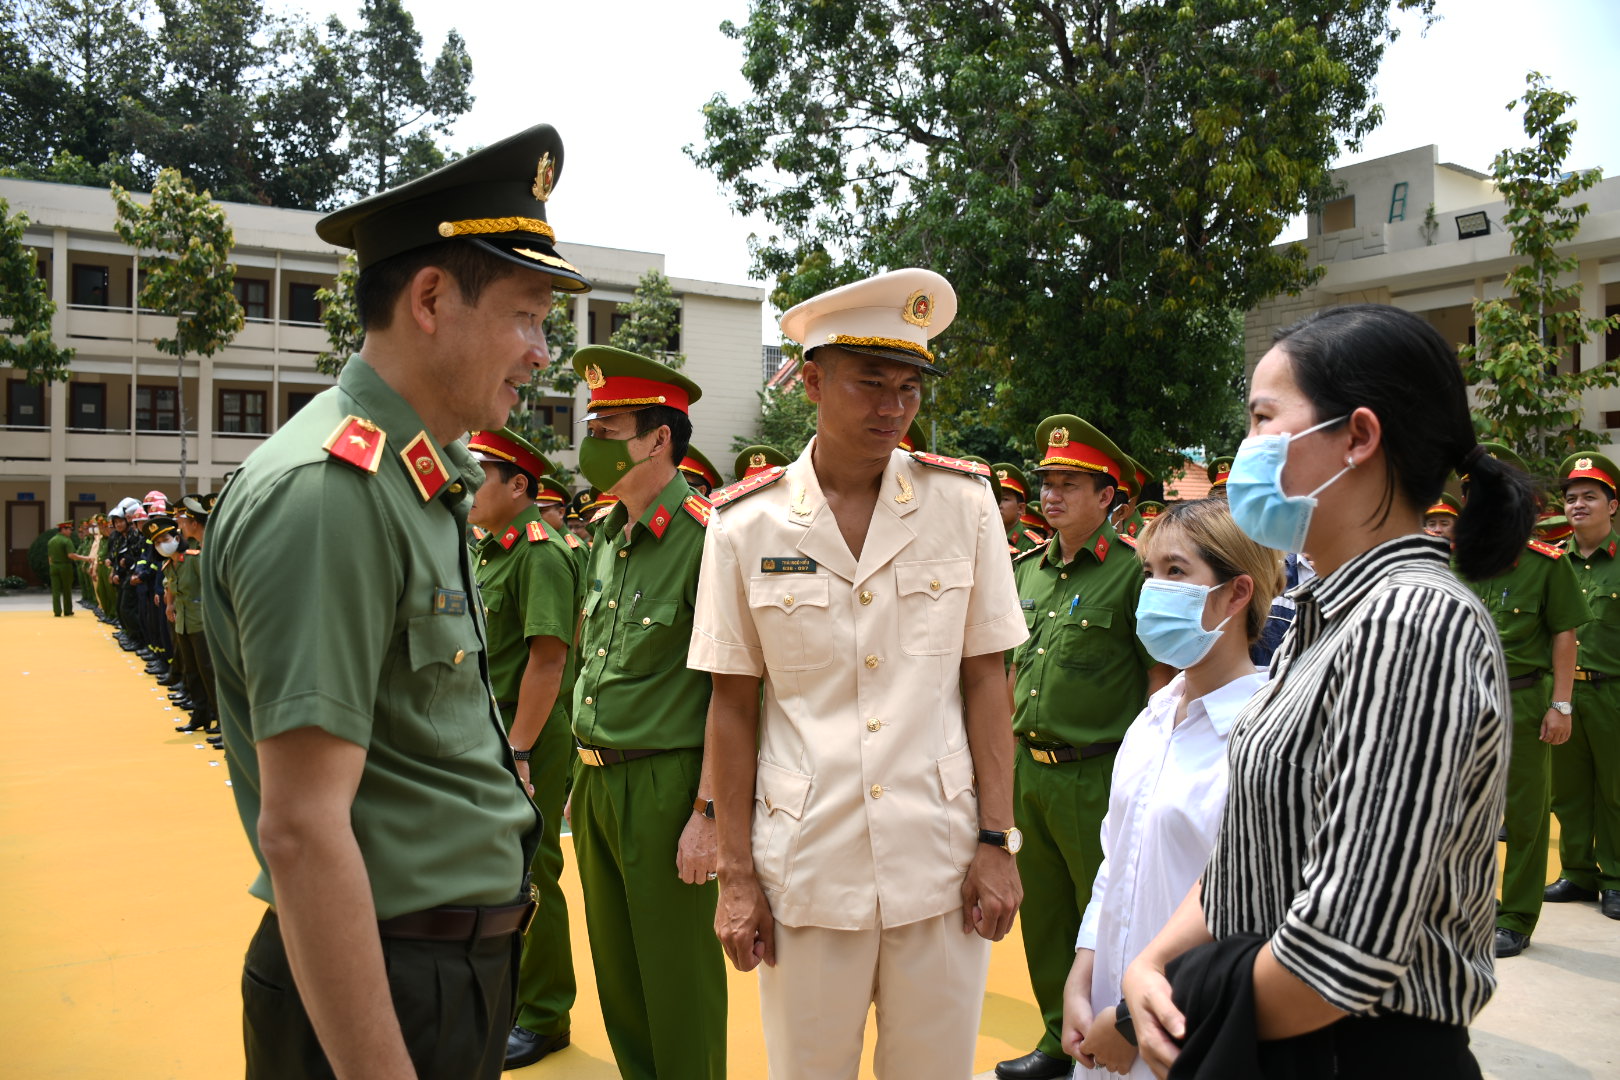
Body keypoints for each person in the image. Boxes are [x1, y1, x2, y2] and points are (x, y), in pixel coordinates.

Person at [200, 123, 591, 1079]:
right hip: (384, 985)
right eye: (528, 316)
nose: (541, 353)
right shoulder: (331, 494)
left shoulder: (422, 477)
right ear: (429, 299)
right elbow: (301, 828)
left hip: (443, 971)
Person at [1124, 304, 1530, 1079]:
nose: (1244, 449)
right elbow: (1262, 847)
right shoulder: (1326, 617)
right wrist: (1152, 961)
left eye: (1262, 418)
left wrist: (1177, 1000)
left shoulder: (1412, 620)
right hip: (1284, 1032)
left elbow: (1339, 956)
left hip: (1352, 1054)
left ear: (1359, 438)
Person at [691, 267, 1028, 1079]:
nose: (894, 407)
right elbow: (732, 706)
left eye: (910, 387)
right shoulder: (744, 524)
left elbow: (987, 681)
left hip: (939, 856)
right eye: (871, 383)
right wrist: (736, 875)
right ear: (810, 380)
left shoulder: (964, 504)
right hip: (808, 861)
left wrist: (997, 839)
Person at [1060, 498, 1279, 1079]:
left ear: (1237, 594)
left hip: (1188, 1033)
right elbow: (1116, 864)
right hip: (1105, 1024)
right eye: (1150, 573)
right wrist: (1083, 976)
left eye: (1176, 573)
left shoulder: (1264, 737)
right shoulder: (1153, 717)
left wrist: (1131, 1020)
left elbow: (1247, 907)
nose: (1154, 591)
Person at [568, 343, 726, 1080]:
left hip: (668, 787)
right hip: (596, 780)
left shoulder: (706, 538)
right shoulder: (604, 536)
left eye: (609, 430)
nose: (591, 445)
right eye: (591, 428)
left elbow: (734, 691)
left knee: (677, 980)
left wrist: (709, 812)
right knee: (621, 977)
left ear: (660, 438)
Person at [1000, 414, 1172, 1080]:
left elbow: (1160, 682)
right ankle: (1055, 1039)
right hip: (1029, 769)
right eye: (1047, 482)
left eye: (1070, 484)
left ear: (1109, 497)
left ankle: (1106, 1042)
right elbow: (1012, 673)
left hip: (1098, 770)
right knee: (1042, 915)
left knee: (1104, 919)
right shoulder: (1028, 572)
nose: (1050, 495)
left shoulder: (1132, 574)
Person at [464, 427, 582, 1069]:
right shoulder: (491, 551)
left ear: (518, 486)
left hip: (527, 733)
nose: (469, 486)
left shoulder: (539, 553)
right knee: (497, 873)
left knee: (533, 874)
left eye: (481, 474)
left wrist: (520, 751)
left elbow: (547, 660)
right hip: (495, 731)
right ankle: (514, 997)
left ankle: (545, 1014)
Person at [1454, 442, 1586, 957]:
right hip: (1463, 707)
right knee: (1461, 814)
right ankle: (1466, 907)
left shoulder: (1546, 565)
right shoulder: (1456, 563)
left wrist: (1563, 705)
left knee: (1526, 818)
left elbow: (1564, 638)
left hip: (1525, 704)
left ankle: (1515, 917)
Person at [1549, 452, 1620, 920]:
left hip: (1613, 691)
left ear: (1612, 505)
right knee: (1567, 788)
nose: (1578, 505)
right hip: (1563, 693)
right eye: (1571, 498)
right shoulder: (1552, 563)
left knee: (1615, 789)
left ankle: (1615, 877)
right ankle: (1578, 871)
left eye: (1590, 496)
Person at [168, 495, 219, 738]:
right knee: (193, 669)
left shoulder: (210, 544)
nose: (180, 527)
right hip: (189, 619)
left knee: (209, 670)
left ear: (194, 523)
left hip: (204, 620)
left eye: (182, 522)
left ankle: (222, 721)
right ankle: (201, 714)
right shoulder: (196, 547)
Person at [996, 462, 1045, 553]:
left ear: (1021, 508)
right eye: (994, 498)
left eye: (1005, 499)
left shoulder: (1032, 546)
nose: (998, 504)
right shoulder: (982, 538)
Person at [47, 520, 76, 616]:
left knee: (56, 590)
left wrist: (52, 566)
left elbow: (50, 557)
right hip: (65, 566)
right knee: (66, 589)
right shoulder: (67, 540)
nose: (70, 531)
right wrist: (85, 558)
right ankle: (67, 611)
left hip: (54, 566)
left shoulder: (51, 541)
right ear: (63, 529)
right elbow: (71, 555)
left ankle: (57, 611)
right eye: (69, 529)